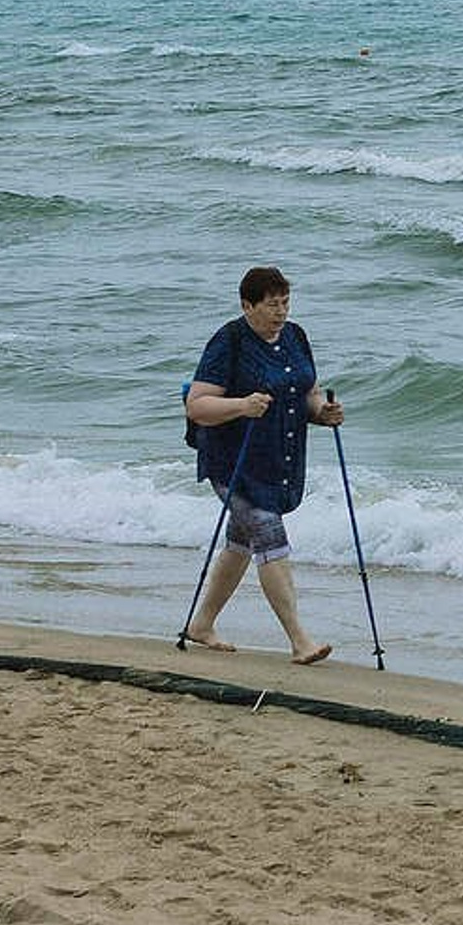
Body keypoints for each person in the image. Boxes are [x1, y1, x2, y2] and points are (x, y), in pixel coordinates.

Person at [180, 265, 346, 664]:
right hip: (231, 461)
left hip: (278, 459)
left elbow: (307, 391)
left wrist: (323, 412)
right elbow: (197, 404)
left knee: (241, 541)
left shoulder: (295, 337)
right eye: (272, 305)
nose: (281, 312)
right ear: (247, 305)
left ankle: (201, 625)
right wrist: (242, 405)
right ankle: (300, 641)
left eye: (286, 302)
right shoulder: (229, 340)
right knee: (270, 535)